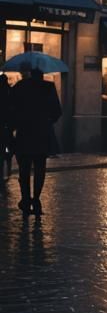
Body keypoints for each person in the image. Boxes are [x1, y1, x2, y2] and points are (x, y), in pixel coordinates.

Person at [9, 64, 62, 216]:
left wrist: (15, 126)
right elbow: (57, 112)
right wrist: (46, 121)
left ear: (30, 73)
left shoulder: (20, 87)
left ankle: (25, 199)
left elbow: (11, 109)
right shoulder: (48, 87)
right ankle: (36, 199)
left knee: (24, 169)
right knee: (40, 168)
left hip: (24, 133)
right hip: (42, 134)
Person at [0, 73, 12, 184]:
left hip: (4, 126)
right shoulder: (9, 92)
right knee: (8, 150)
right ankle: (8, 170)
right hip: (7, 126)